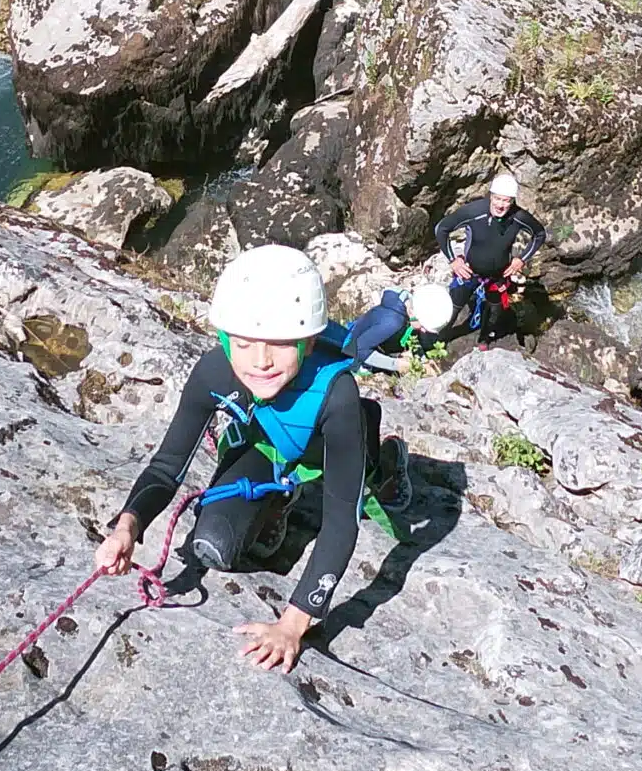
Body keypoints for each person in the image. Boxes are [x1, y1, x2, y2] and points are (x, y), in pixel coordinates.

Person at [94, 245, 413, 672]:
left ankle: (384, 459)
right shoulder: (214, 371)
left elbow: (341, 519)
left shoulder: (337, 395)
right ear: (226, 339)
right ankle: (281, 497)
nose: (260, 362)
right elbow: (167, 466)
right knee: (215, 545)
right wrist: (127, 528)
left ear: (308, 341)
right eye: (243, 344)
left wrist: (294, 623)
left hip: (327, 440)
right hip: (269, 445)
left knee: (359, 475)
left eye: (280, 345)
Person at [434, 170, 546, 340]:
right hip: (470, 270)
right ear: (491, 196)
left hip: (499, 274)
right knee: (454, 307)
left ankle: (485, 339)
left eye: (506, 201)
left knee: (494, 310)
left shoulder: (518, 217)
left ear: (512, 201)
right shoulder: (474, 211)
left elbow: (540, 234)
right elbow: (441, 229)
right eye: (497, 199)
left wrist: (521, 259)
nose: (501, 205)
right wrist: (453, 260)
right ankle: (439, 340)